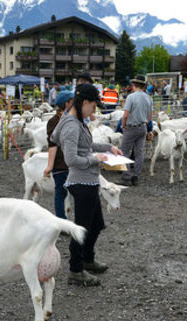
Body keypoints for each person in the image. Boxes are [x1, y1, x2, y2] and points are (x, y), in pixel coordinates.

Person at [51, 84, 122, 286]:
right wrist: (96, 159)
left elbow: (86, 145)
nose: (94, 110)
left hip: (89, 180)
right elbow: (72, 159)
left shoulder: (77, 122)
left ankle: (88, 260)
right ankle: (75, 270)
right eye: (93, 105)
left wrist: (109, 148)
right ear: (84, 103)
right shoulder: (72, 126)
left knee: (96, 225)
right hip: (81, 182)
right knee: (81, 229)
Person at [44, 90, 74, 219]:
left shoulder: (73, 119)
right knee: (61, 193)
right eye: (73, 101)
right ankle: (62, 221)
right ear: (67, 104)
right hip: (60, 163)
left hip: (73, 162)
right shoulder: (53, 121)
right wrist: (50, 166)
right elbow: (52, 144)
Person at [119, 75, 153, 187]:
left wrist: (123, 126)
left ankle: (126, 176)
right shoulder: (148, 98)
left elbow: (125, 115)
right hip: (142, 127)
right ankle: (136, 175)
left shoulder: (131, 97)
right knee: (139, 153)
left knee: (124, 152)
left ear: (134, 85)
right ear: (143, 86)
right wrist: (145, 124)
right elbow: (150, 116)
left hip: (131, 127)